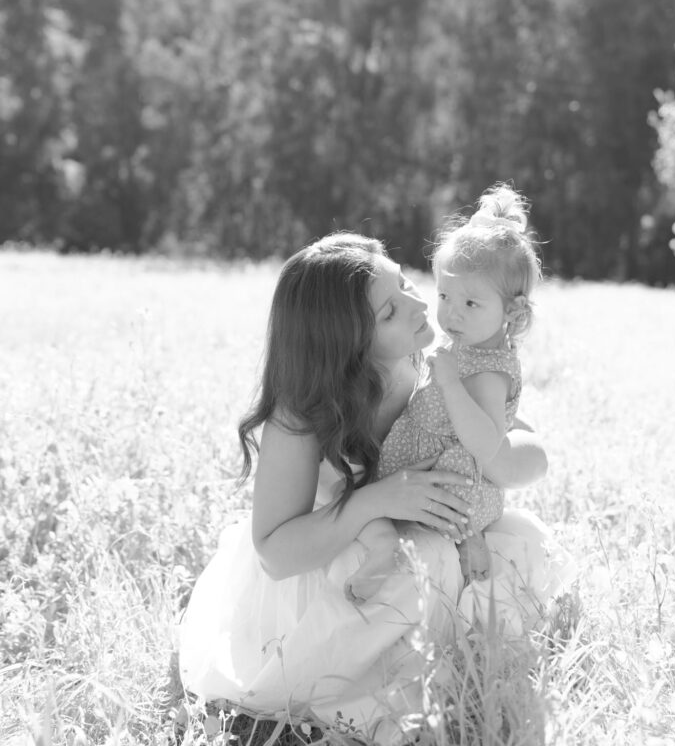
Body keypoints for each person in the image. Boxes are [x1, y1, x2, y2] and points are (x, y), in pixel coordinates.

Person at [178, 232, 573, 743]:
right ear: (347, 345)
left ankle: (464, 670)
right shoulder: (302, 415)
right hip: (332, 557)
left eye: (406, 283)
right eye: (389, 312)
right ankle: (397, 701)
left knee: (522, 538)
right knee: (420, 565)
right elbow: (275, 552)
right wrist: (377, 501)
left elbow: (516, 443)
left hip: (419, 532)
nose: (416, 304)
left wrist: (513, 458)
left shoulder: (425, 365)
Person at [346, 184, 542, 601]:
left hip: (456, 488)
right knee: (362, 497)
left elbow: (487, 443)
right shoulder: (470, 346)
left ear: (510, 312)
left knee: (362, 499)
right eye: (444, 295)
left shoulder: (488, 371)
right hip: (433, 468)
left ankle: (463, 538)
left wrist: (450, 383)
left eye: (471, 303)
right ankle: (389, 547)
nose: (451, 312)